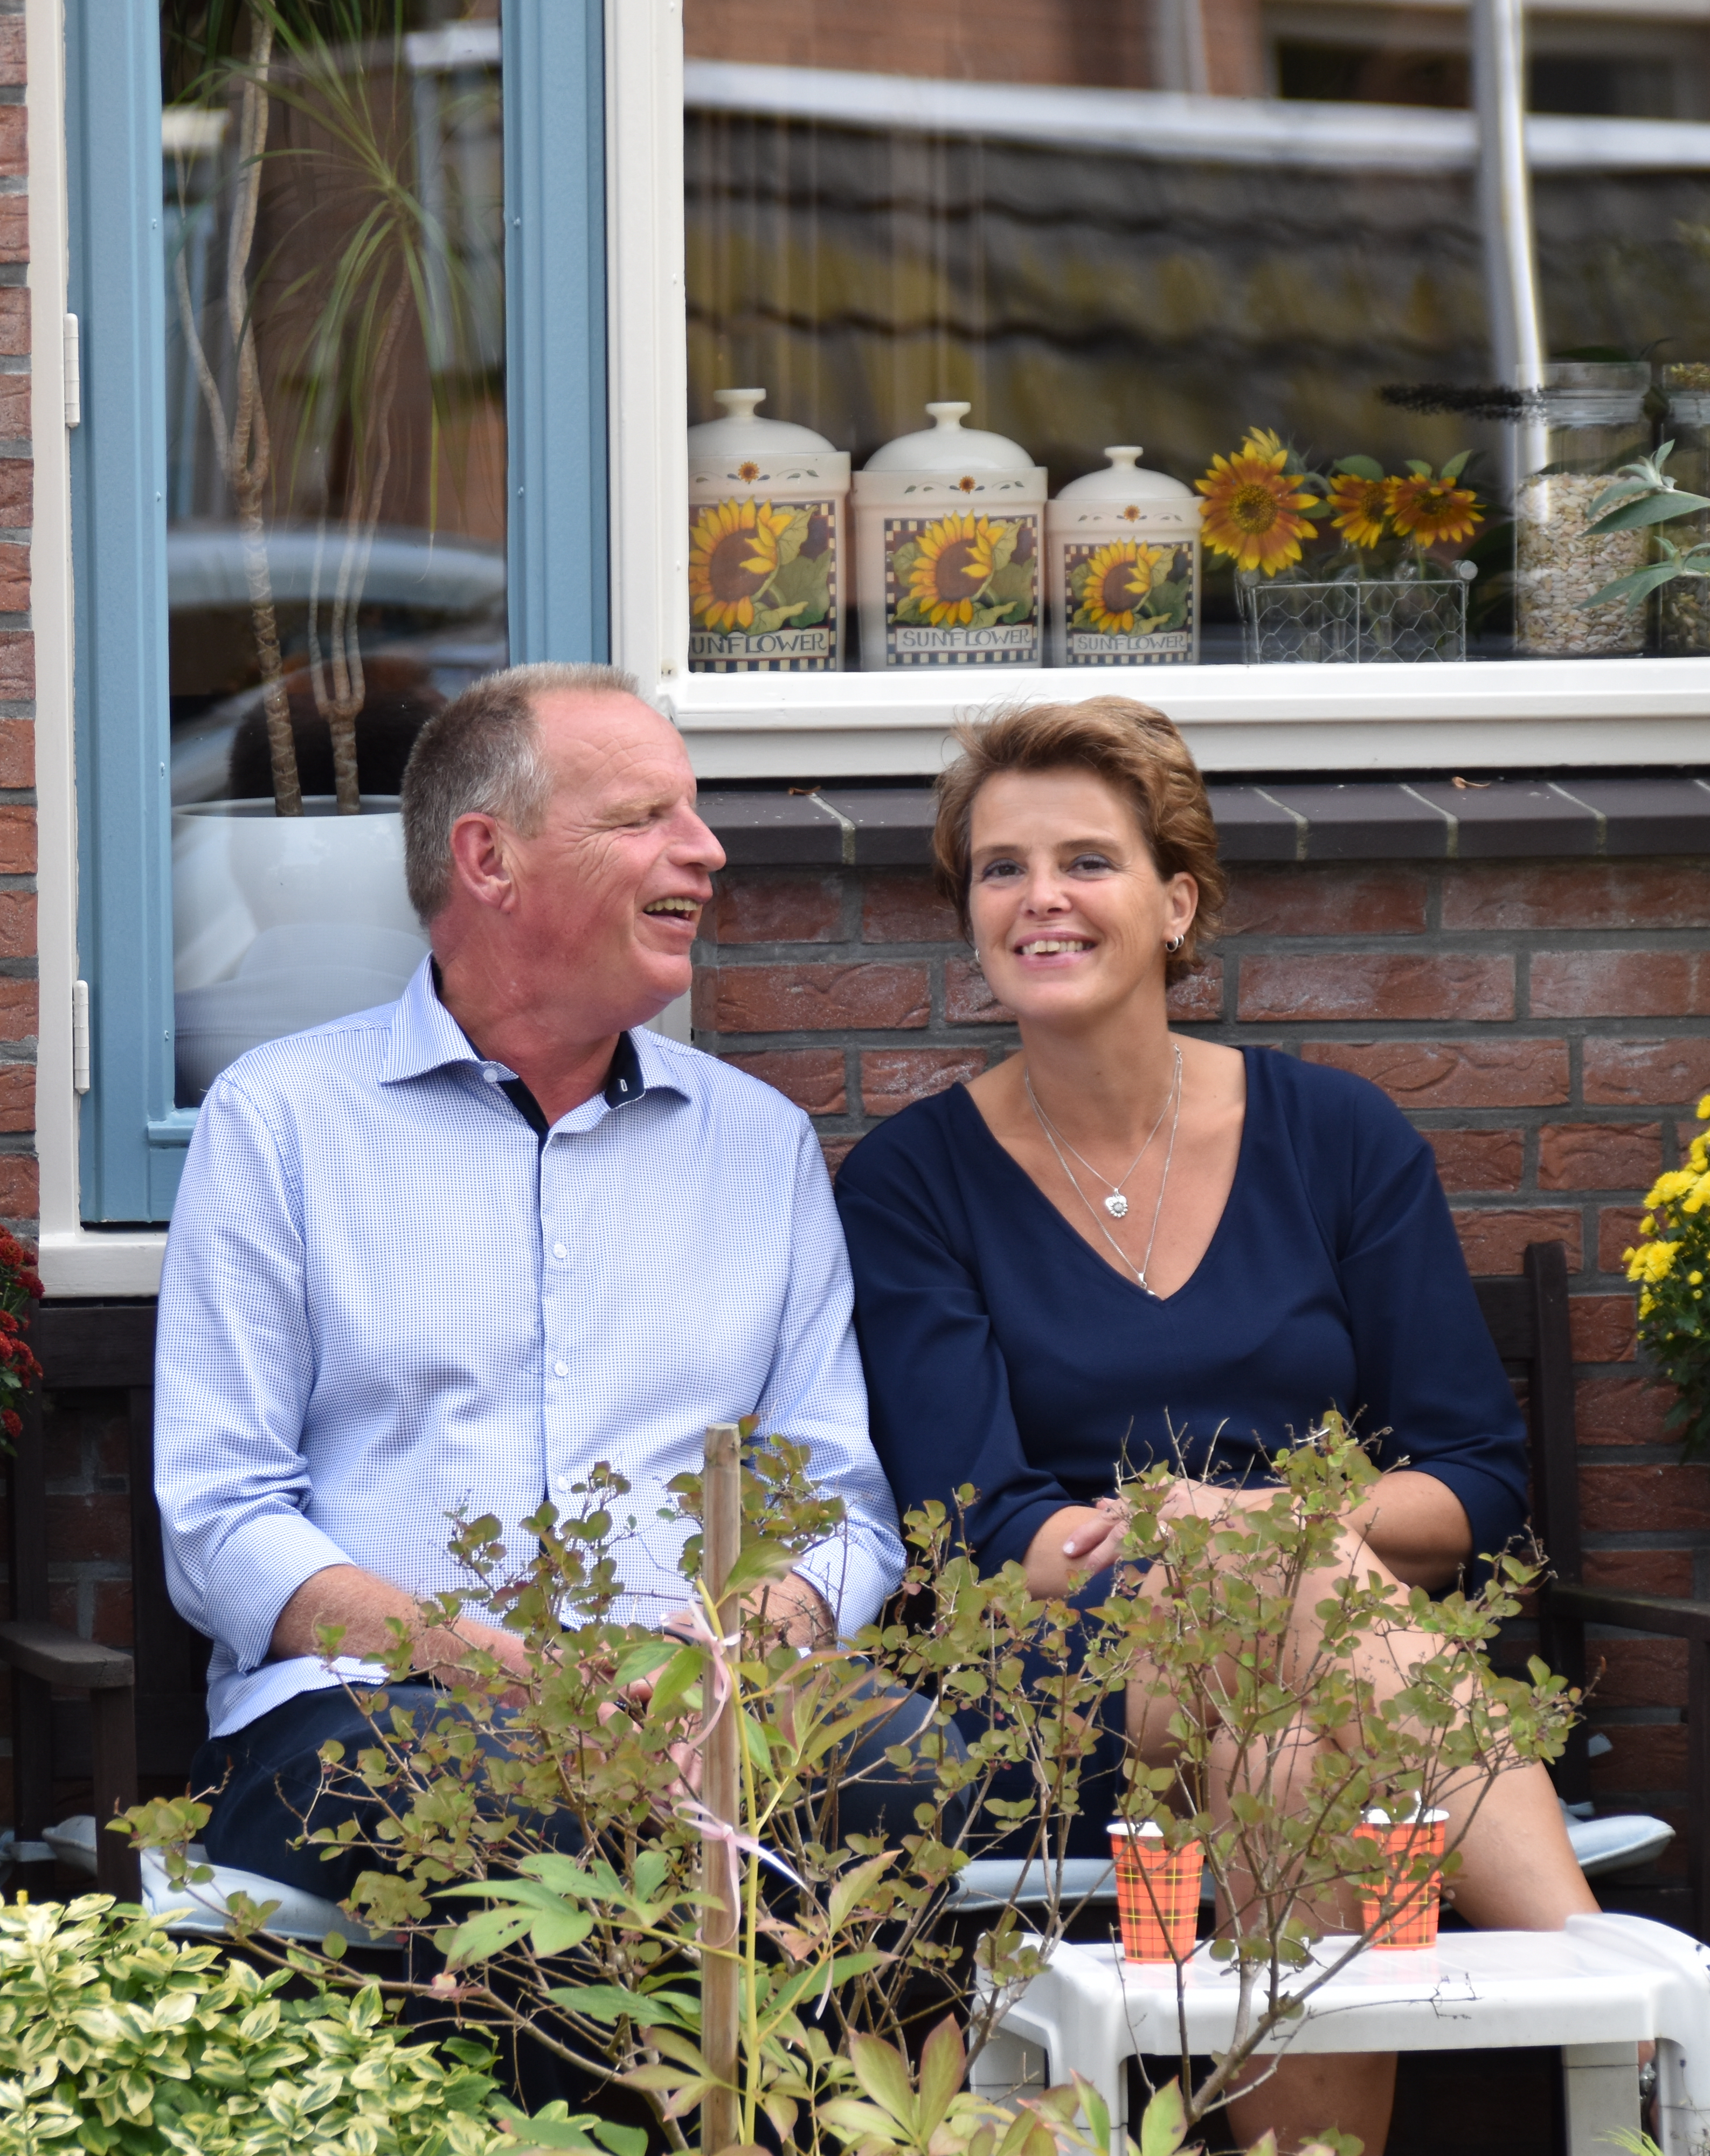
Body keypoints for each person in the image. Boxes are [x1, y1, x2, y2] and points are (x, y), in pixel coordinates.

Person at [830, 695, 1598, 2156]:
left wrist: (1255, 1524)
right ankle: (1619, 2003)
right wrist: (1235, 1550)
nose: (1039, 898)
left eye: (1086, 862)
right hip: (1058, 1693)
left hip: (1330, 1683)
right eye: (1000, 869)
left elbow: (1476, 1487)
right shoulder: (913, 1184)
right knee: (1296, 1599)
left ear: (1177, 900)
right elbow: (984, 1534)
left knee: (1294, 1743)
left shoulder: (1338, 1138)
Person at [154, 659, 907, 1918]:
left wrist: (729, 1658)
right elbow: (223, 1522)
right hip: (370, 1717)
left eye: (696, 810)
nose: (707, 850)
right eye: (643, 819)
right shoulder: (281, 1124)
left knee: (933, 1774)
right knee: (549, 1810)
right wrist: (515, 1674)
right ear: (488, 860)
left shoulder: (759, 1143)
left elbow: (834, 1500)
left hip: (721, 1706)